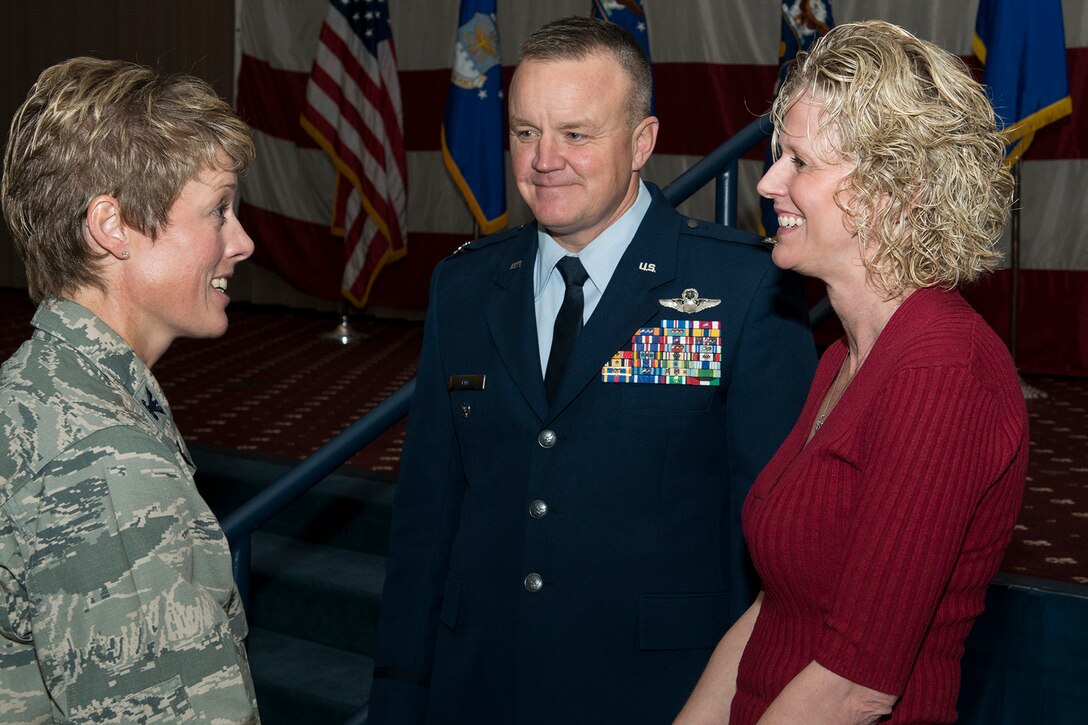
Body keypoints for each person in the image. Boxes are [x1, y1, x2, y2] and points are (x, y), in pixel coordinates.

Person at [369, 15, 816, 724]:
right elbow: (427, 520)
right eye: (524, 132)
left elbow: (776, 547)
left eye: (576, 134)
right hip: (479, 687)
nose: (545, 159)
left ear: (642, 141)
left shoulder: (741, 291)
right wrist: (399, 694)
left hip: (657, 695)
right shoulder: (464, 288)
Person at [676, 20, 1029, 725]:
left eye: (800, 162)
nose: (770, 180)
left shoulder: (940, 372)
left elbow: (854, 686)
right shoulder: (844, 354)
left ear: (891, 191)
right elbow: (775, 608)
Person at [0, 57, 260, 723]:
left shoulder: (34, 384)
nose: (243, 241)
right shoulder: (110, 466)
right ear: (112, 225)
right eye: (218, 210)